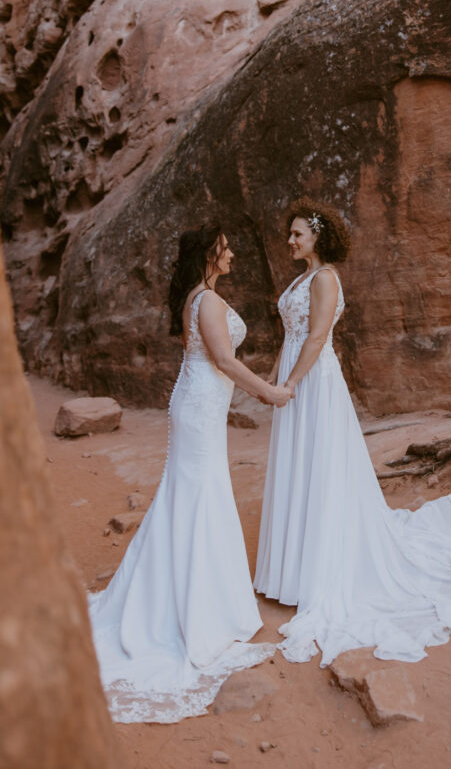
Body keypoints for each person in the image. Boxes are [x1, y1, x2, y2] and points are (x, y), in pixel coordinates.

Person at [255, 199, 451, 666]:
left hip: (314, 383)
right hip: (295, 379)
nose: (291, 240)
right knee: (299, 467)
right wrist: (273, 379)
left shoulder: (325, 279)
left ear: (318, 237)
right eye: (292, 234)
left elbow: (317, 337)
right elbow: (291, 335)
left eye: (298, 234)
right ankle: (292, 571)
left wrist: (292, 383)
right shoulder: (300, 279)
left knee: (319, 468)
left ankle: (316, 570)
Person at [88, 224, 292, 723]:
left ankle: (185, 594)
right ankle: (198, 611)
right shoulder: (206, 302)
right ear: (210, 253)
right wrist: (268, 391)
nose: (233, 252)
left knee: (191, 493)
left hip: (198, 400)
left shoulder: (198, 297)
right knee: (199, 494)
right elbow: (223, 358)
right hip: (201, 403)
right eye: (226, 246)